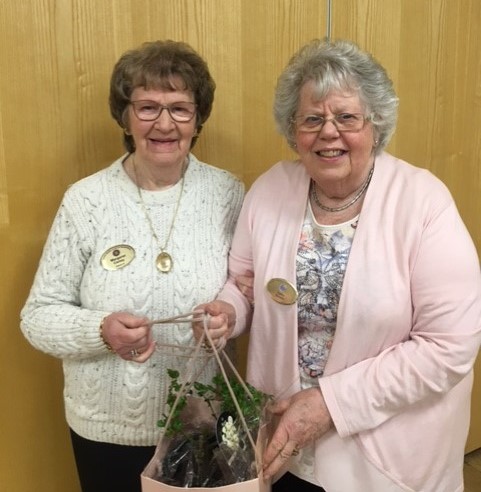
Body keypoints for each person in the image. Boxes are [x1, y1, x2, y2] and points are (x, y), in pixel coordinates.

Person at [193, 38, 481, 492]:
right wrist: (228, 313)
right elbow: (243, 283)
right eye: (312, 119)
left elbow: (449, 346)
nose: (328, 132)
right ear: (293, 131)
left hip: (385, 459)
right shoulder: (270, 191)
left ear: (375, 125)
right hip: (284, 442)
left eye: (346, 117)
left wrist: (331, 403)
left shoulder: (424, 203)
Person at [20, 40, 244, 492]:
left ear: (198, 119)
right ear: (125, 117)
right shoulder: (86, 200)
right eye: (147, 107)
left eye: (180, 108)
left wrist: (230, 316)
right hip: (107, 432)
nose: (164, 123)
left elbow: (245, 287)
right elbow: (37, 316)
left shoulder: (227, 193)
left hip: (202, 423)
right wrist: (101, 330)